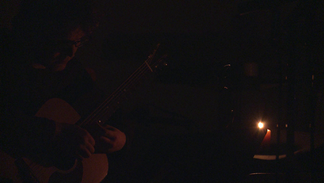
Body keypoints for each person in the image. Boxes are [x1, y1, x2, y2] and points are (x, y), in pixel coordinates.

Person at [0, 0, 126, 178]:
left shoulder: (72, 71)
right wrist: (53, 132)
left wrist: (119, 138)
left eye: (79, 42)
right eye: (62, 43)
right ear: (34, 33)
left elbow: (106, 108)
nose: (71, 52)